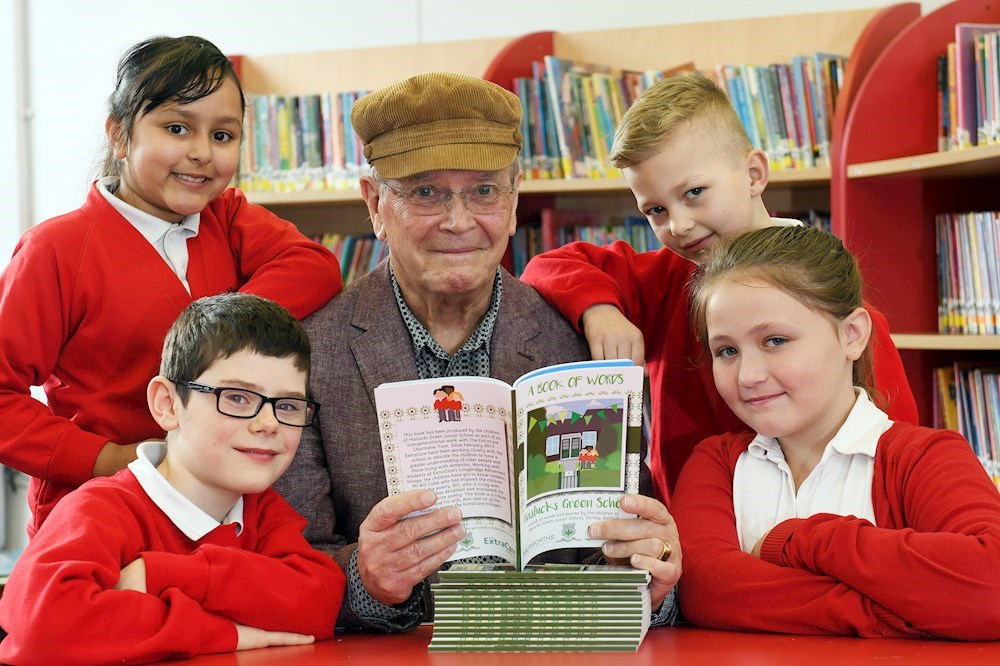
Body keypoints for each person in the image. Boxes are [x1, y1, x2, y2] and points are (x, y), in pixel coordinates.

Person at [275, 72, 680, 632]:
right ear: (375, 204)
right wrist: (363, 580)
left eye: (484, 191)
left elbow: (629, 556)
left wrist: (648, 579)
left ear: (514, 201)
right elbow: (287, 562)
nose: (459, 221)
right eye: (424, 192)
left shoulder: (580, 347)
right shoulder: (309, 355)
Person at [0, 35, 342, 537]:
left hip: (219, 509)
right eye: (178, 128)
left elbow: (314, 265)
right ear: (120, 135)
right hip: (103, 510)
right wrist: (105, 458)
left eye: (223, 136)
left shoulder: (226, 218)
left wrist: (219, 328)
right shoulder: (56, 249)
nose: (202, 153)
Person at [519, 73, 918, 501]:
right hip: (682, 540)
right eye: (655, 209)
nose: (679, 224)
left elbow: (902, 452)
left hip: (801, 538)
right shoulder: (662, 278)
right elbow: (549, 266)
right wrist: (599, 310)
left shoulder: (835, 307)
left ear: (753, 174)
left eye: (694, 192)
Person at [671, 225, 1000, 639]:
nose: (748, 375)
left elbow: (991, 588)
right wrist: (903, 614)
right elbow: (707, 591)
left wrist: (801, 539)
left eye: (775, 340)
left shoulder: (924, 457)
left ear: (852, 335)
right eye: (727, 351)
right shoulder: (715, 463)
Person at [0, 293, 347, 663]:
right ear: (167, 404)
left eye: (289, 405)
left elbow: (320, 603)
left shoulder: (260, 511)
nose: (269, 424)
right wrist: (227, 633)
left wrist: (166, 575)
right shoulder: (97, 510)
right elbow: (42, 628)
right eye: (238, 398)